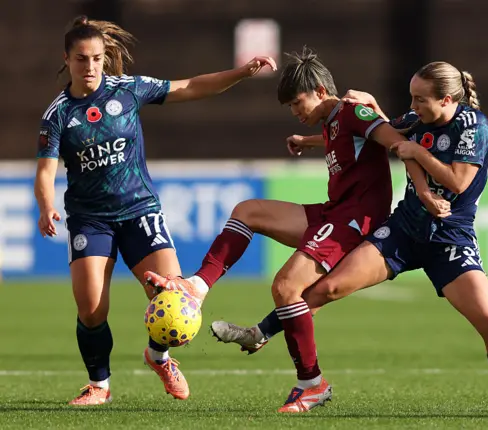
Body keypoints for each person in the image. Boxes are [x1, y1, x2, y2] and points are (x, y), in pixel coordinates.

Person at [199, 62, 488, 413]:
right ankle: (262, 336)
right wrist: (331, 131)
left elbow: (457, 183)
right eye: (412, 97)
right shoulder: (418, 117)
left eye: (420, 99)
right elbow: (378, 132)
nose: (413, 106)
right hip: (403, 231)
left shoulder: (473, 125)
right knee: (325, 288)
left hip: (449, 240)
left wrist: (417, 152)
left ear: (447, 99)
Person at [144, 48, 451, 412]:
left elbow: (397, 142)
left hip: (355, 218)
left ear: (321, 91)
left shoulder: (353, 111)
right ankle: (198, 286)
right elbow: (342, 137)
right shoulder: (333, 119)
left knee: (287, 287)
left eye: (296, 102)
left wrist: (426, 192)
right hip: (334, 212)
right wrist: (307, 142)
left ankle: (311, 384)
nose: (295, 111)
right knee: (248, 211)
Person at [34, 15, 276, 406]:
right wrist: (46, 207)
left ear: (104, 56)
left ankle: (158, 357)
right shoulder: (58, 114)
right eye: (82, 59)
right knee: (92, 308)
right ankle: (99, 385)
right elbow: (45, 172)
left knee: (176, 298)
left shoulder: (127, 89)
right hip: (90, 219)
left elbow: (192, 86)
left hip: (139, 211)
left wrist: (242, 72)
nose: (91, 67)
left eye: (97, 58)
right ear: (67, 58)